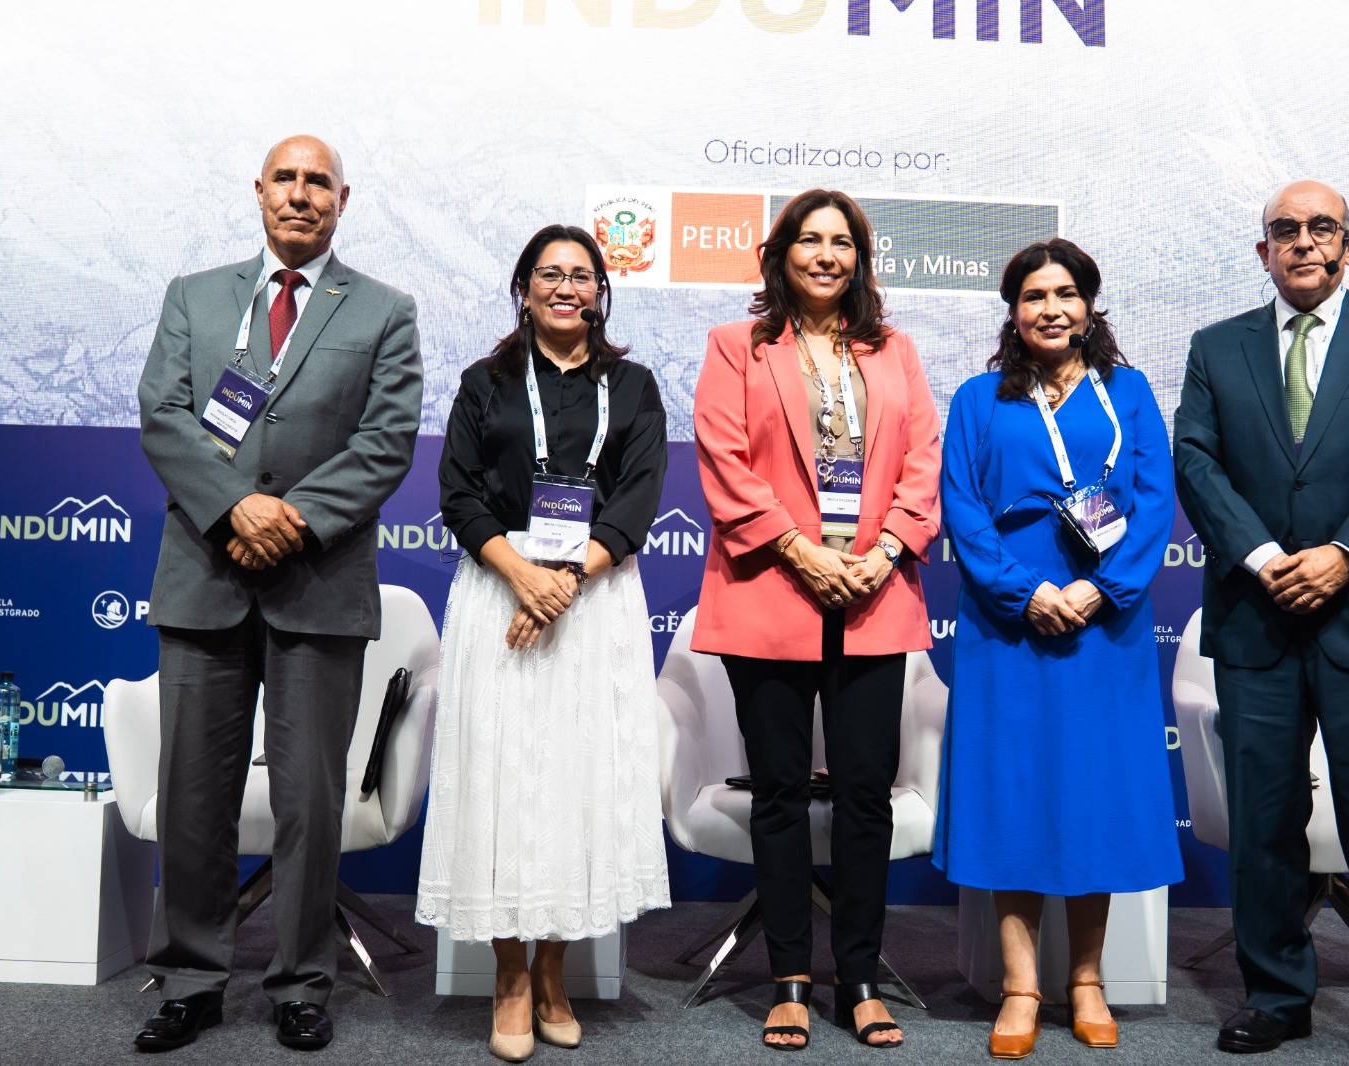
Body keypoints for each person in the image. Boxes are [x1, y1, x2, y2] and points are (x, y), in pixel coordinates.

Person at [134, 135, 423, 1051]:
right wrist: (235, 508)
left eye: (318, 183)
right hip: (205, 576)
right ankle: (190, 979)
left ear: (344, 198)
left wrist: (290, 519)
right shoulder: (195, 295)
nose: (301, 195)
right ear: (259, 191)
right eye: (286, 179)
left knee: (309, 801)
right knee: (193, 795)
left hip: (318, 581)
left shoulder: (385, 310)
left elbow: (386, 440)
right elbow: (163, 414)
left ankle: (302, 982)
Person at [1173, 180, 1349, 1066]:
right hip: (1256, 619)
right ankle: (1275, 996)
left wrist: (1344, 554)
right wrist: (1263, 558)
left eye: (1321, 227)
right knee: (1263, 822)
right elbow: (1196, 460)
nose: (1303, 241)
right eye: (1285, 230)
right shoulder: (1215, 347)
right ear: (1264, 252)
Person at [692, 189, 941, 1051]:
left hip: (874, 594)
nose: (826, 254)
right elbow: (724, 461)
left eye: (843, 242)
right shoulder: (737, 346)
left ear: (860, 259)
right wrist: (799, 551)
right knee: (780, 794)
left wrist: (885, 552)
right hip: (770, 588)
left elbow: (923, 462)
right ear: (781, 253)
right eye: (810, 239)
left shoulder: (895, 351)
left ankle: (860, 978)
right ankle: (790, 979)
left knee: (867, 795)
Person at [415, 224, 671, 1062]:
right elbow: (458, 494)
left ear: (602, 293)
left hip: (594, 599)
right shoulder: (484, 383)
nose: (567, 287)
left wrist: (564, 582)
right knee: (498, 779)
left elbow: (637, 498)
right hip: (501, 591)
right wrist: (525, 577)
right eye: (550, 274)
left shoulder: (633, 386)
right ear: (523, 290)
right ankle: (510, 977)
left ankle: (555, 969)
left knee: (575, 780)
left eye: (582, 275)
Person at [932, 239, 1182, 1059]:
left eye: (1066, 293)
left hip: (1104, 623)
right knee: (1014, 796)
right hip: (1008, 623)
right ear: (1013, 311)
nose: (1051, 308)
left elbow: (1154, 503)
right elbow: (962, 508)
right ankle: (1019, 988)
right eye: (1034, 295)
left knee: (1092, 796)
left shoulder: (1129, 392)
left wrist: (1100, 590)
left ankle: (1086, 980)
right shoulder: (978, 399)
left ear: (1089, 305)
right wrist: (1025, 592)